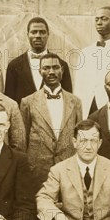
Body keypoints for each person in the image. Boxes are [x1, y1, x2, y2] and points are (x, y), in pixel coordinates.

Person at [20, 53, 82, 194]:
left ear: (62, 70)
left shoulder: (76, 102)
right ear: (40, 71)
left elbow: (79, 137)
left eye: (55, 67)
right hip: (37, 171)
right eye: (46, 68)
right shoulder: (27, 102)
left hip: (68, 168)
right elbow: (23, 139)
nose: (51, 72)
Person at [5, 17, 73, 106]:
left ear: (48, 34)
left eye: (42, 32)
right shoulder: (14, 65)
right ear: (27, 34)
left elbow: (68, 100)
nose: (38, 36)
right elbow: (9, 101)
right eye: (34, 32)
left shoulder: (61, 65)